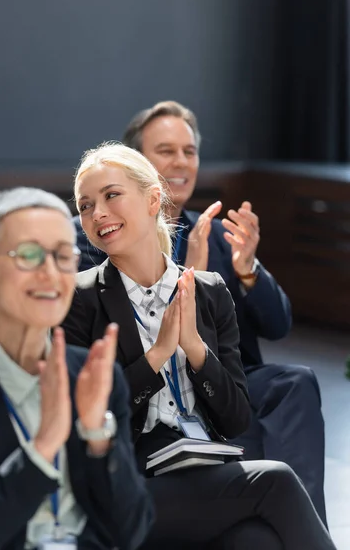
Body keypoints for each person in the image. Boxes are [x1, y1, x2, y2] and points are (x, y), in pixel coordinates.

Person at [63, 143, 336, 550]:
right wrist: (156, 356)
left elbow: (236, 419)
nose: (96, 212)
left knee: (258, 541)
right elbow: (84, 417)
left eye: (111, 195)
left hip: (205, 471)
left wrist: (195, 351)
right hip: (127, 483)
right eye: (86, 206)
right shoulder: (80, 299)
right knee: (275, 479)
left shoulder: (208, 291)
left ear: (153, 198)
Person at [0, 187, 154, 550]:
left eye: (62, 256)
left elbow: (131, 531)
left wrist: (96, 434)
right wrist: (42, 450)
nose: (50, 273)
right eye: (29, 255)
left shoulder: (96, 378)